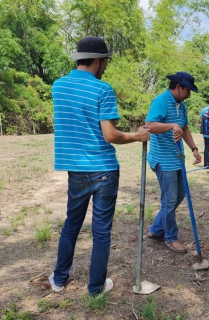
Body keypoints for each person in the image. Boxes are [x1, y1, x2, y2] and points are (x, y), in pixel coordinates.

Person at [49, 36, 150, 296]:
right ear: (97, 60)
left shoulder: (57, 86)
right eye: (105, 61)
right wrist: (137, 136)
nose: (105, 66)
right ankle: (95, 289)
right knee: (101, 231)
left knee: (72, 223)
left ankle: (59, 280)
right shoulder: (102, 89)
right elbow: (110, 135)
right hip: (104, 168)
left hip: (76, 170)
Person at [145, 71, 202, 254]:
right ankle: (170, 237)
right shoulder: (161, 101)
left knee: (179, 195)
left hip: (177, 158)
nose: (189, 95)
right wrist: (171, 126)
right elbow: (150, 126)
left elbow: (183, 127)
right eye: (188, 90)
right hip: (163, 159)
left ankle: (155, 229)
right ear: (179, 87)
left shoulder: (180, 105)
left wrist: (194, 149)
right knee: (169, 200)